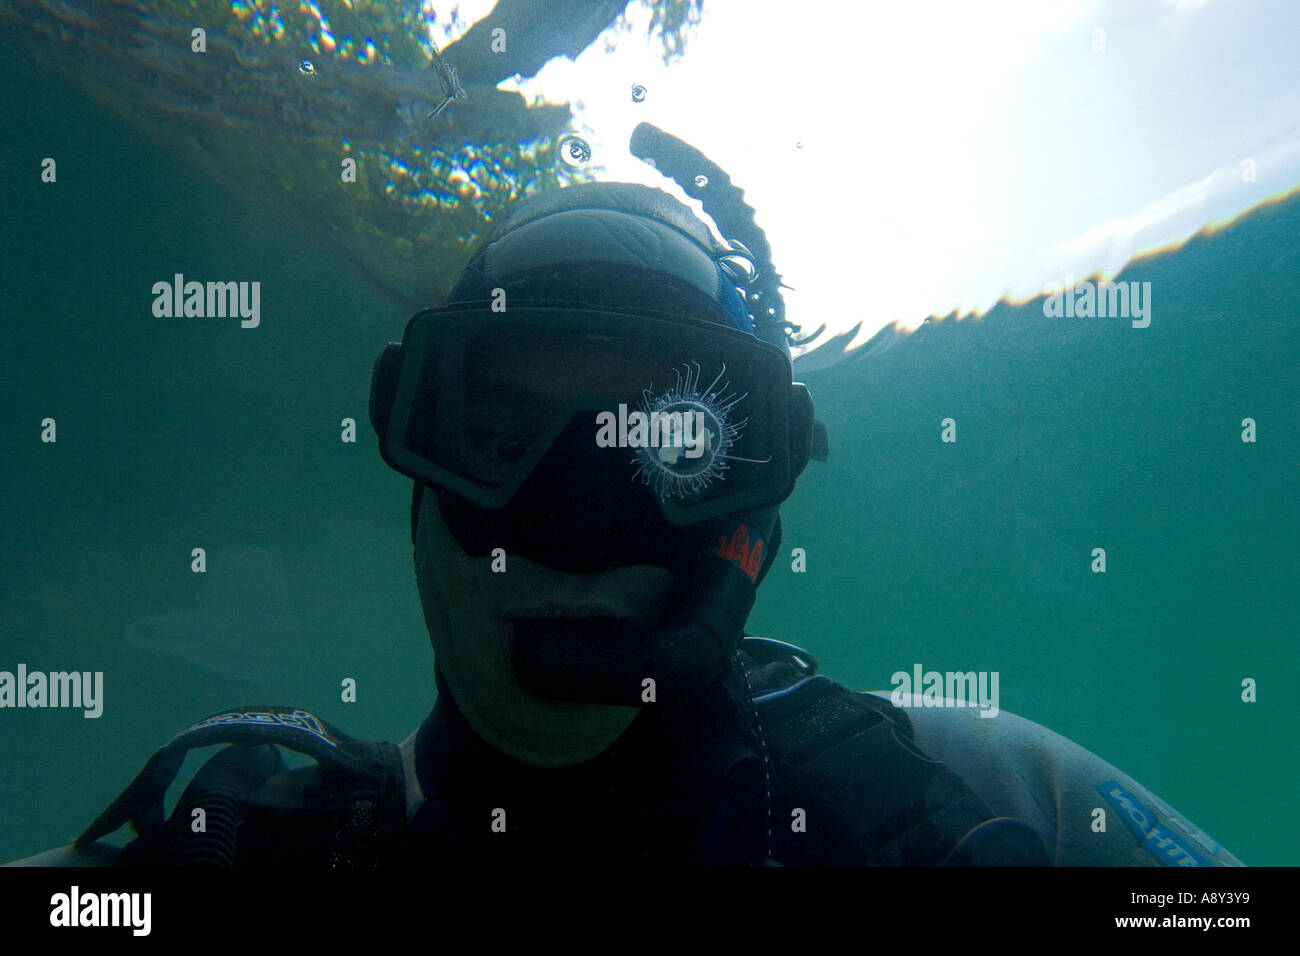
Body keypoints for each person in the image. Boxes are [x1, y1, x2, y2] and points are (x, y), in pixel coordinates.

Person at [9, 179, 1242, 868]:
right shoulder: (235, 861)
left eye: (672, 447)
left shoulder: (984, 797)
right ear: (412, 459)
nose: (566, 525)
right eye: (497, 437)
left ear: (749, 513)